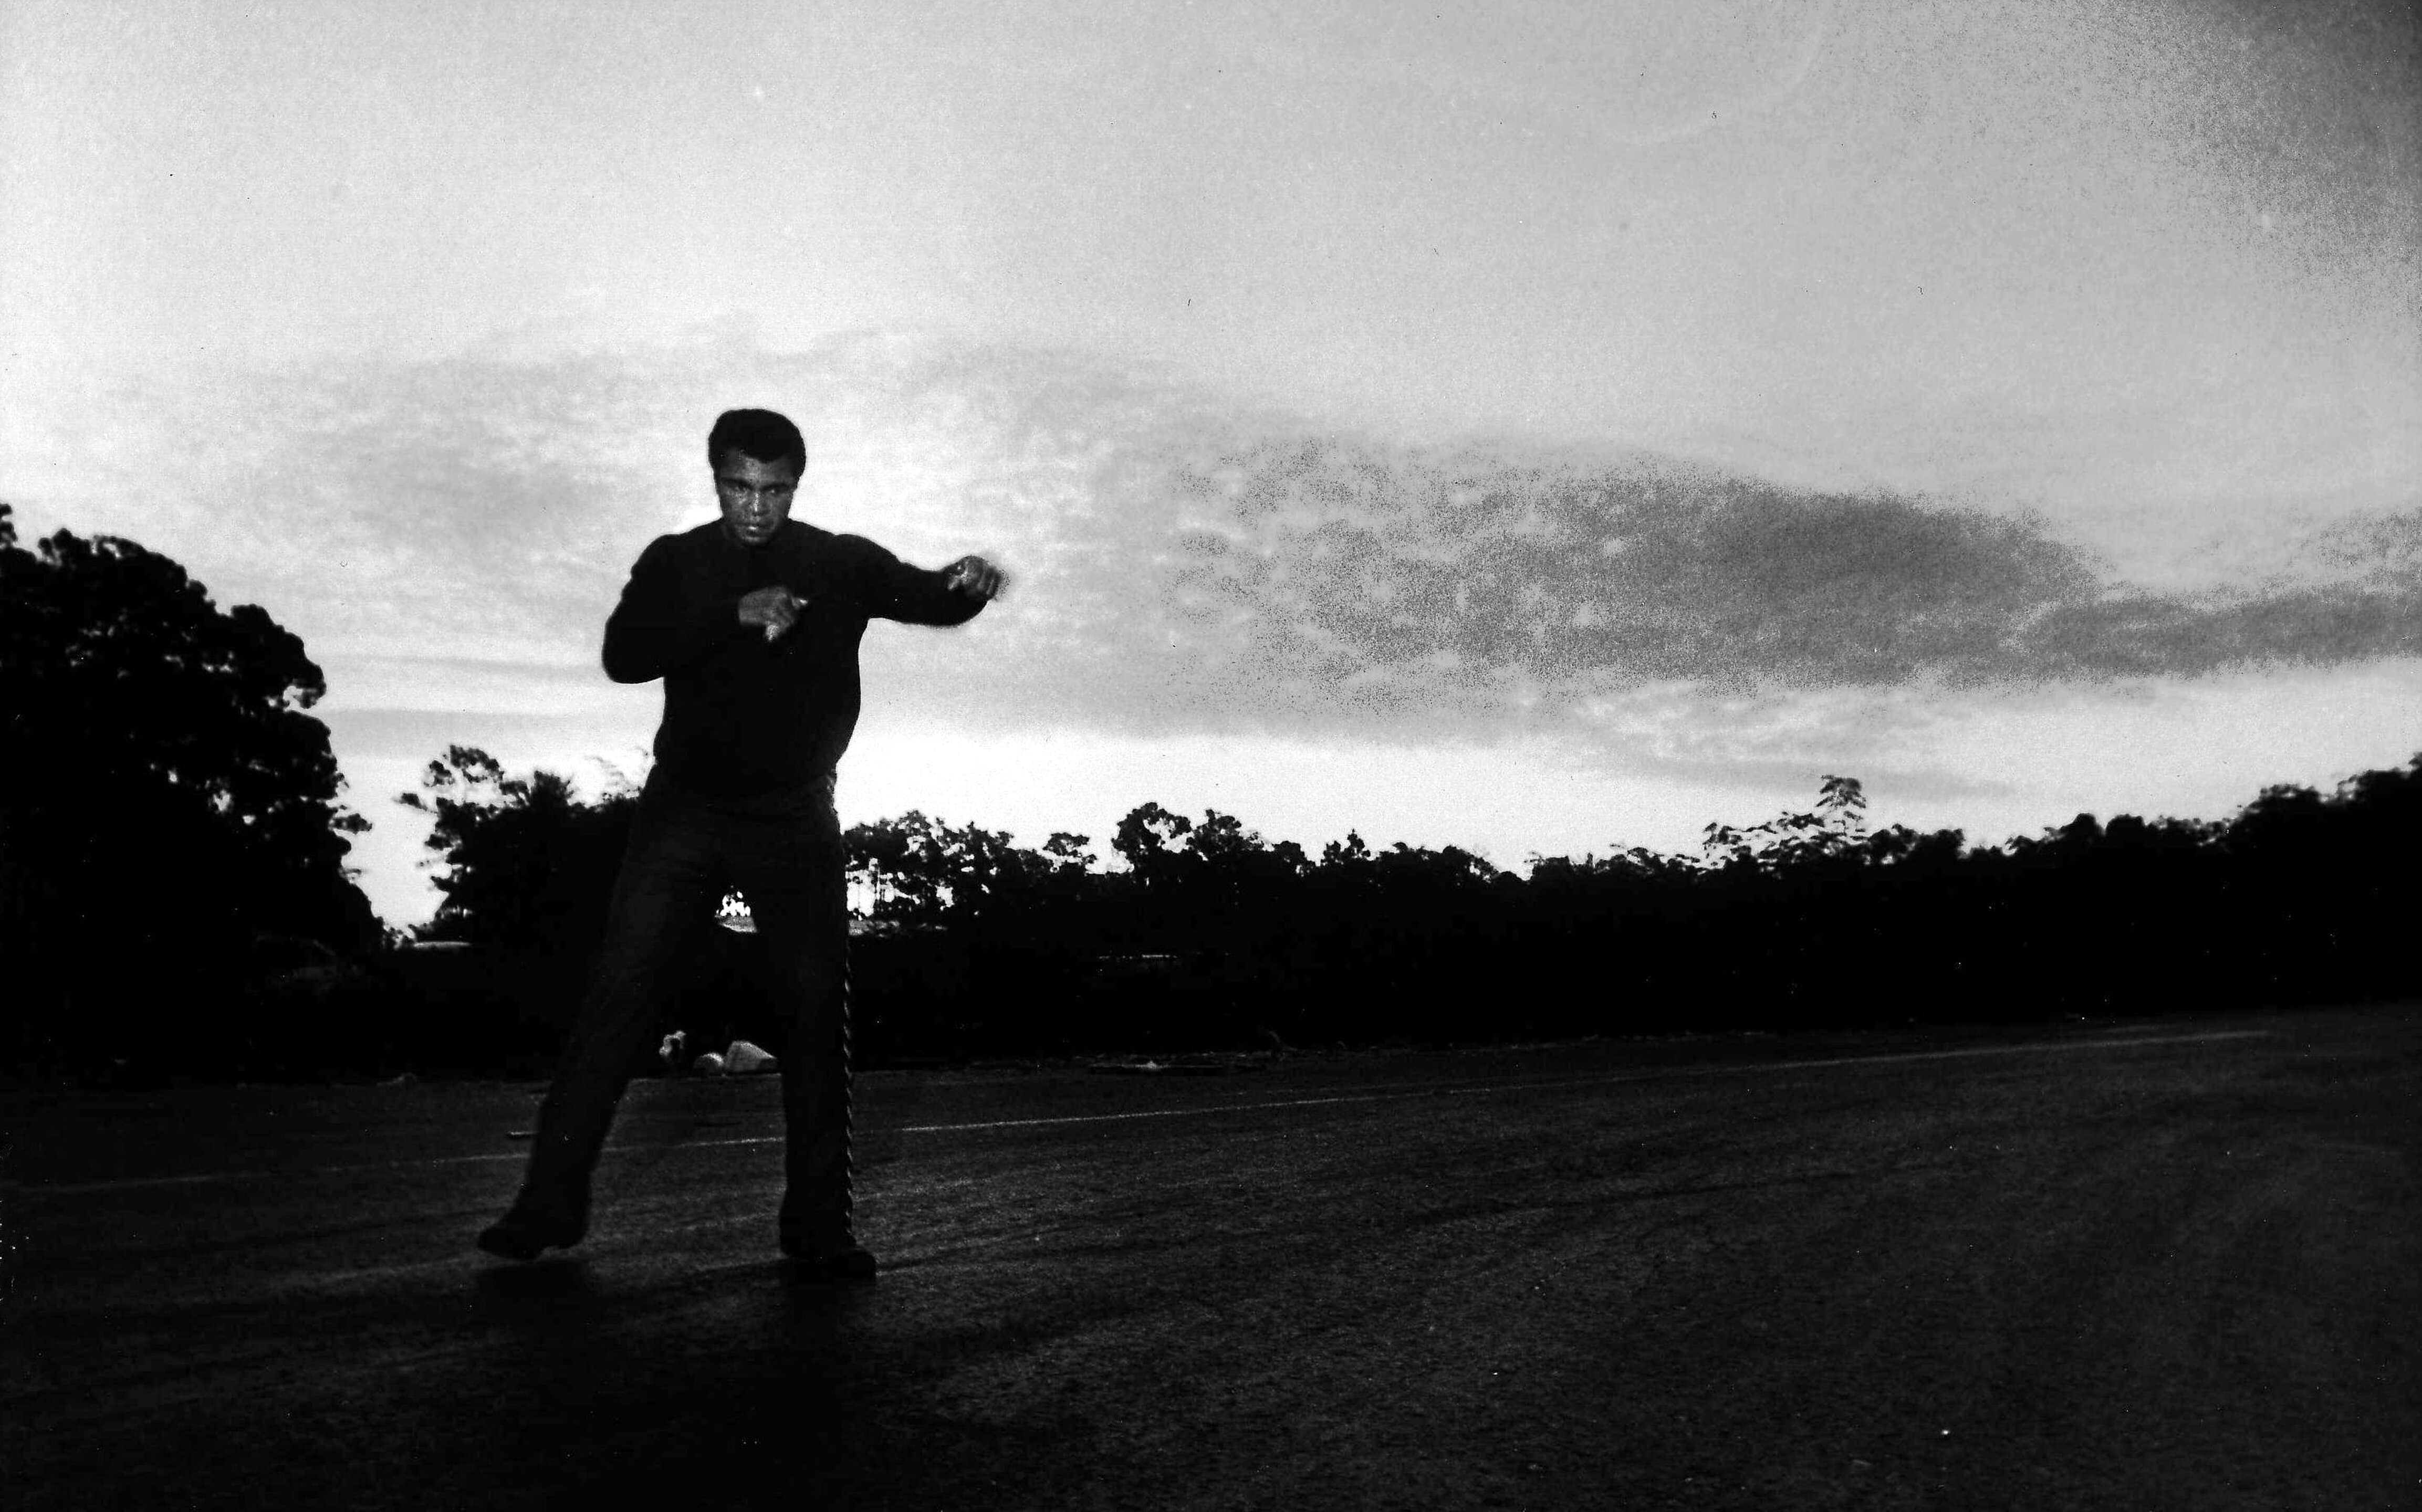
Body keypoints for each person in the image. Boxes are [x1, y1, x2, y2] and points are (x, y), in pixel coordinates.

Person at [478, 408, 1005, 1280]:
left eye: (772, 489)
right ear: (714, 478)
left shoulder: (839, 561)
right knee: (619, 999)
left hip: (794, 818)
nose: (754, 507)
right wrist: (730, 613)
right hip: (683, 813)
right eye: (737, 486)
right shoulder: (676, 561)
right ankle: (547, 1205)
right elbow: (623, 653)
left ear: (797, 486)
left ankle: (818, 1229)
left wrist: (971, 584)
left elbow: (924, 595)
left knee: (814, 1020)